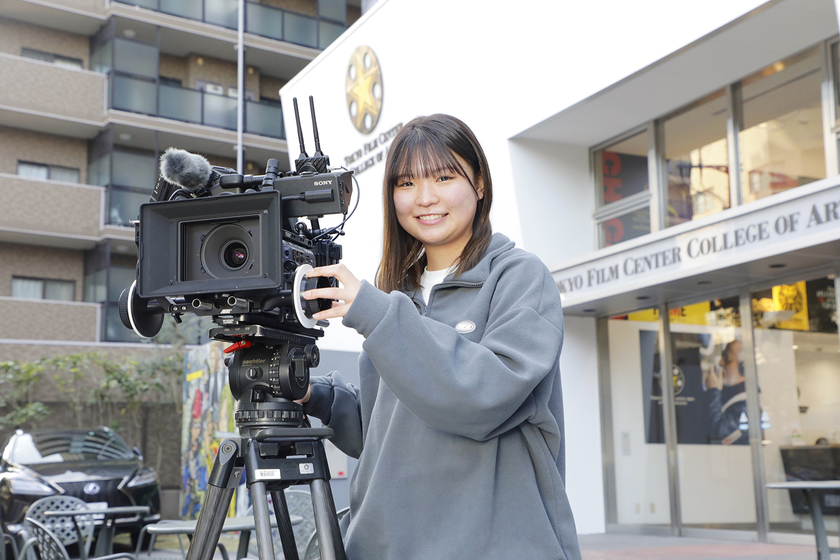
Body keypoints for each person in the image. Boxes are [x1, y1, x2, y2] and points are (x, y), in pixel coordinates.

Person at [296, 114, 581, 560]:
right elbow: (386, 432)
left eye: (444, 177)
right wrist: (316, 397)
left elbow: (482, 397)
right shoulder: (398, 295)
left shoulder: (520, 278)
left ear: (480, 183)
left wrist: (375, 313)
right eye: (406, 183)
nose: (424, 198)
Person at [704, 339, 748, 445]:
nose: (721, 362)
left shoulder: (745, 403)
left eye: (727, 358)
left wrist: (714, 391)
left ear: (742, 367)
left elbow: (719, 435)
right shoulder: (725, 392)